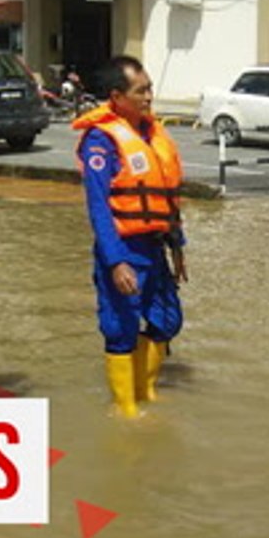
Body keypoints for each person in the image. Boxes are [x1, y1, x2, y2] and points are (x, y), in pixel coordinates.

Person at [73, 55, 186, 419]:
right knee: (121, 327)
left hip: (155, 246)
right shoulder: (101, 141)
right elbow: (99, 207)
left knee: (167, 320)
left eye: (150, 88)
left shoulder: (152, 134)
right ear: (117, 97)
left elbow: (168, 197)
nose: (149, 97)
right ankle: (125, 408)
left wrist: (178, 246)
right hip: (123, 248)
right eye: (141, 91)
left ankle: (146, 390)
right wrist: (116, 260)